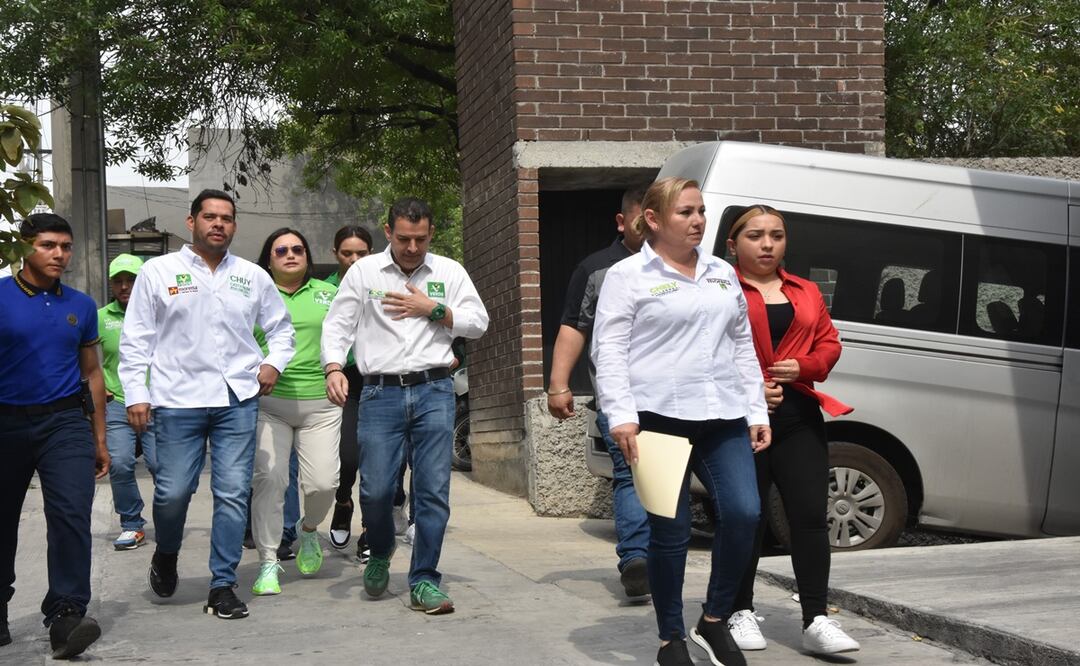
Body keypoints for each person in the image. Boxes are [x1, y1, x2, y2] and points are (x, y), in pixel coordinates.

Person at [593, 178, 770, 666]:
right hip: (657, 418)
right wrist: (622, 416)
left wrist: (755, 409)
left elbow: (740, 345)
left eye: (701, 211)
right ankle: (671, 636)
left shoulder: (721, 273)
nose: (697, 221)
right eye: (685, 212)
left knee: (745, 514)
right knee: (669, 534)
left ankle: (713, 621)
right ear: (653, 219)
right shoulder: (626, 276)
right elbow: (609, 350)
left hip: (723, 416)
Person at [119, 189, 295, 620]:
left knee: (233, 492)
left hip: (237, 399)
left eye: (227, 218)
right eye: (210, 217)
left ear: (235, 226)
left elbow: (281, 329)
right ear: (191, 222)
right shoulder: (160, 271)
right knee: (174, 491)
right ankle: (167, 552)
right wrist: (136, 394)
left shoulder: (252, 276)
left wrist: (272, 363)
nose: (219, 224)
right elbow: (136, 338)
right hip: (177, 400)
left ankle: (222, 585)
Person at [321, 197, 488, 615]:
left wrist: (433, 309)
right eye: (403, 238)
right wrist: (333, 368)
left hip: (433, 390)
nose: (412, 248)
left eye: (420, 239)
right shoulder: (364, 272)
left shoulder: (450, 272)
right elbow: (338, 324)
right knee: (376, 489)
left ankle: (425, 580)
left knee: (432, 491)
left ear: (431, 233)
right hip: (379, 394)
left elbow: (478, 322)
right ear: (388, 230)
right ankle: (380, 548)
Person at [725, 204, 861, 655]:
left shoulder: (805, 291)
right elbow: (704, 352)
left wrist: (804, 365)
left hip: (799, 414)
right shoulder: (721, 289)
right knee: (748, 518)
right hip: (741, 419)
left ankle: (816, 618)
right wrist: (751, 391)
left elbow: (829, 343)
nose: (767, 244)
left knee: (808, 516)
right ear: (733, 244)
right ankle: (738, 610)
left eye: (777, 236)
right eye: (756, 235)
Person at [0, 213, 109, 658]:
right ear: (24, 247)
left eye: (65, 246)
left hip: (65, 423)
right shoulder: (1, 296)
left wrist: (99, 439)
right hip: (5, 422)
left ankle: (66, 614)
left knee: (70, 515)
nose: (59, 254)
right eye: (48, 245)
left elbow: (92, 372)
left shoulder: (81, 305)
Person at [546, 186, 652, 599]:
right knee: (630, 473)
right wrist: (558, 385)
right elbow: (574, 326)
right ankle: (636, 559)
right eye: (641, 220)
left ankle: (658, 555)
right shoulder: (597, 269)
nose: (649, 228)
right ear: (622, 222)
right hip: (619, 396)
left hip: (675, 397)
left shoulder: (682, 266)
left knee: (667, 478)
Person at [249, 228, 342, 595]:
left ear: (308, 255)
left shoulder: (329, 294)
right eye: (281, 250)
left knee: (323, 483)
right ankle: (268, 562)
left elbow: (352, 336)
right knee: (270, 482)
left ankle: (308, 530)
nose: (290, 254)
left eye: (298, 249)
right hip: (267, 404)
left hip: (321, 404)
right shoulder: (255, 295)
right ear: (269, 259)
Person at [99, 253, 158, 551]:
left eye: (131, 280)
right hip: (118, 403)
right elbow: (81, 357)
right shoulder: (101, 317)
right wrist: (100, 391)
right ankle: (132, 524)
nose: (124, 286)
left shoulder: (159, 312)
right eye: (118, 281)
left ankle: (168, 519)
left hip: (157, 403)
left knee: (162, 466)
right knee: (120, 464)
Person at [324, 225, 370, 555]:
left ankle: (372, 528)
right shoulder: (323, 290)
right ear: (335, 254)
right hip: (345, 381)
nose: (354, 259)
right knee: (349, 456)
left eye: (362, 253)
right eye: (347, 253)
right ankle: (343, 501)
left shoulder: (381, 283)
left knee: (382, 461)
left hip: (381, 377)